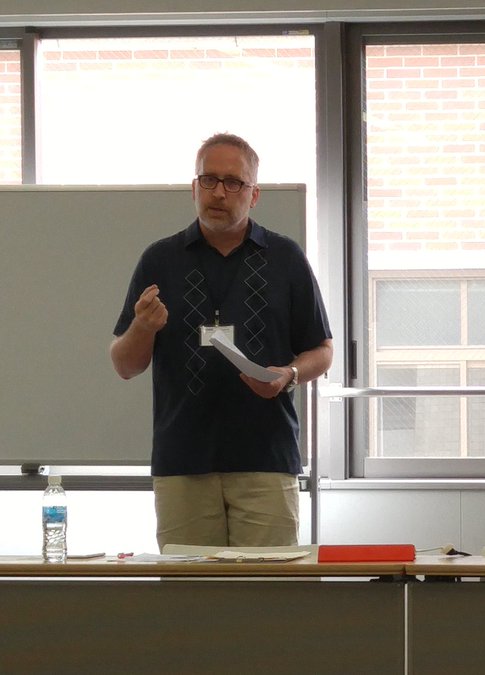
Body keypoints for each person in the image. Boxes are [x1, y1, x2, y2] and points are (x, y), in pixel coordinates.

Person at [110, 132, 333, 549]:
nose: (219, 192)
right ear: (194, 188)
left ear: (254, 195)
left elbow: (322, 351)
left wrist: (288, 374)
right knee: (190, 588)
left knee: (266, 586)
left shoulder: (285, 257)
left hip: (265, 459)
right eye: (209, 180)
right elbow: (124, 365)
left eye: (233, 182)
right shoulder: (160, 259)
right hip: (183, 463)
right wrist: (142, 327)